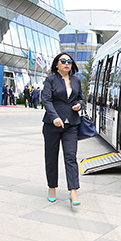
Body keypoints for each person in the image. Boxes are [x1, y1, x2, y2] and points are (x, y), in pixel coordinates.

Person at [41, 52, 83, 206]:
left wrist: (79, 105)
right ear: (57, 64)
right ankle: (52, 187)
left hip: (71, 124)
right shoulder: (51, 80)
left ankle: (73, 191)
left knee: (71, 157)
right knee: (51, 157)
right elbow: (46, 99)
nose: (67, 63)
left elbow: (80, 98)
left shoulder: (76, 80)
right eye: (63, 61)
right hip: (52, 125)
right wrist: (54, 117)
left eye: (69, 61)